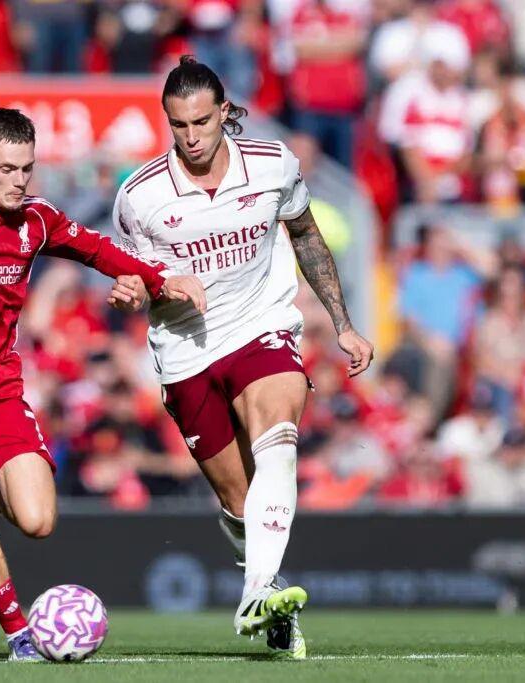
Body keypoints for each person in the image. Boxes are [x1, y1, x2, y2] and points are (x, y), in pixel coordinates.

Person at [0, 108, 205, 661]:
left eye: (27, 168)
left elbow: (96, 248)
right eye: (7, 169)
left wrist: (158, 278)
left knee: (37, 521)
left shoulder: (36, 218)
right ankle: (18, 633)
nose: (19, 181)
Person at [106, 56, 374, 659]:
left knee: (278, 438)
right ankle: (271, 597)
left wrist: (343, 325)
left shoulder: (273, 164)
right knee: (236, 499)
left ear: (224, 112)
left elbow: (306, 235)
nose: (192, 137)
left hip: (262, 325)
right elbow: (132, 278)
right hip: (185, 350)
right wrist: (137, 291)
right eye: (179, 125)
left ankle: (255, 592)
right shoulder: (140, 196)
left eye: (202, 122)